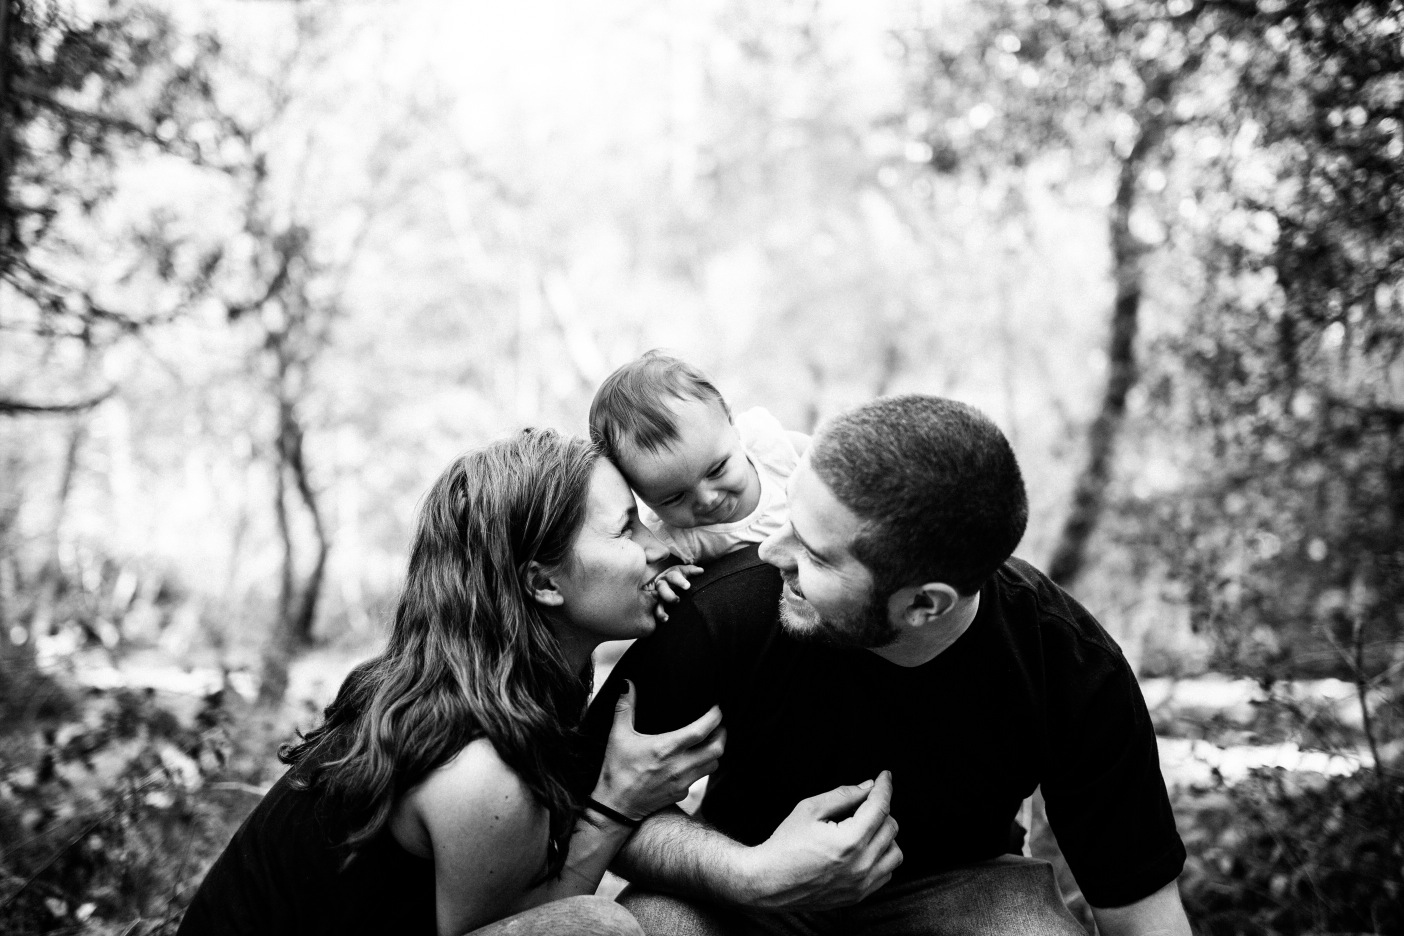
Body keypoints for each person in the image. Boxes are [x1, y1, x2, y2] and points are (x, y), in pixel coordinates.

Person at [583, 395, 1192, 936]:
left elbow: (1141, 912)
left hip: (965, 890)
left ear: (924, 604)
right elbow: (587, 798)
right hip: (730, 880)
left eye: (816, 556)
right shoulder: (727, 604)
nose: (772, 551)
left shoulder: (1071, 666)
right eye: (789, 516)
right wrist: (747, 874)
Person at [178, 429, 727, 936]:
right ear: (543, 582)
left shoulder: (475, 689)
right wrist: (617, 804)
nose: (662, 548)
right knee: (598, 929)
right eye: (625, 529)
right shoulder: (481, 769)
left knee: (676, 916)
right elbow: (531, 924)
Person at [589, 351, 809, 567]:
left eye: (716, 470)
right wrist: (668, 576)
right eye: (674, 498)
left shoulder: (772, 448)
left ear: (730, 420)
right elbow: (657, 577)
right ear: (640, 495)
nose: (707, 499)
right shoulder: (674, 541)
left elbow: (830, 462)